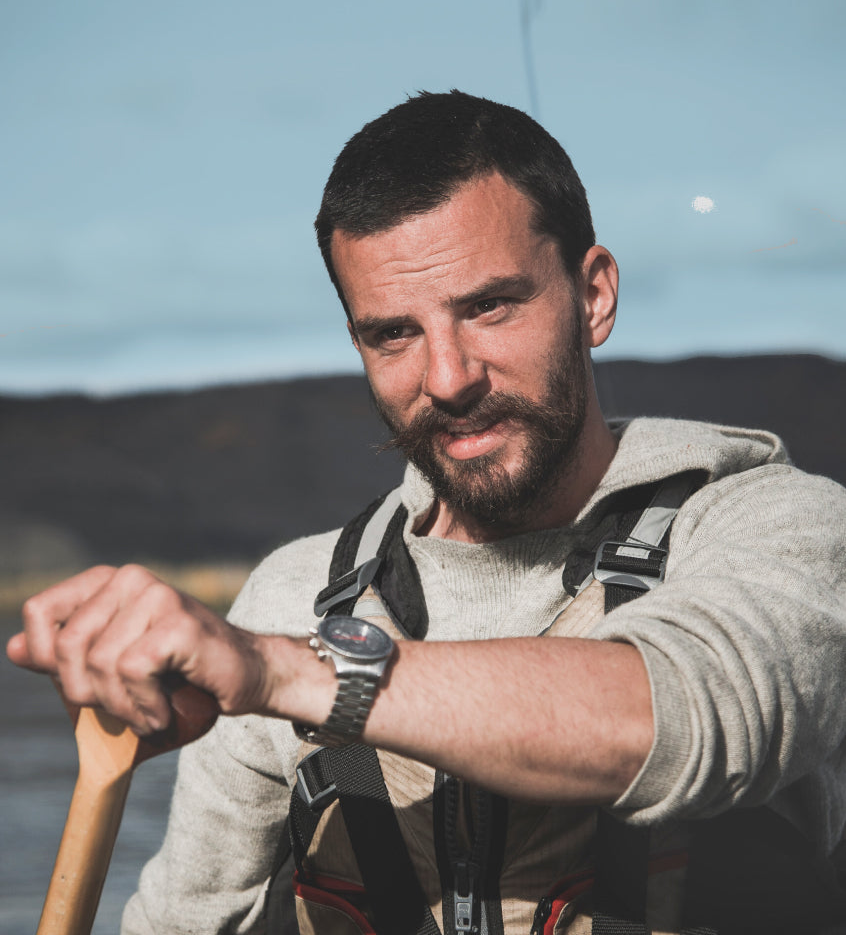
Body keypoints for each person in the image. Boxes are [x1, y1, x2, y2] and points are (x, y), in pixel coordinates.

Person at [8, 90, 846, 935]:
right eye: (393, 334)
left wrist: (283, 674)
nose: (447, 378)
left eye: (488, 307)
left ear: (593, 295)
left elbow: (690, 713)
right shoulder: (293, 597)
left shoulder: (778, 527)